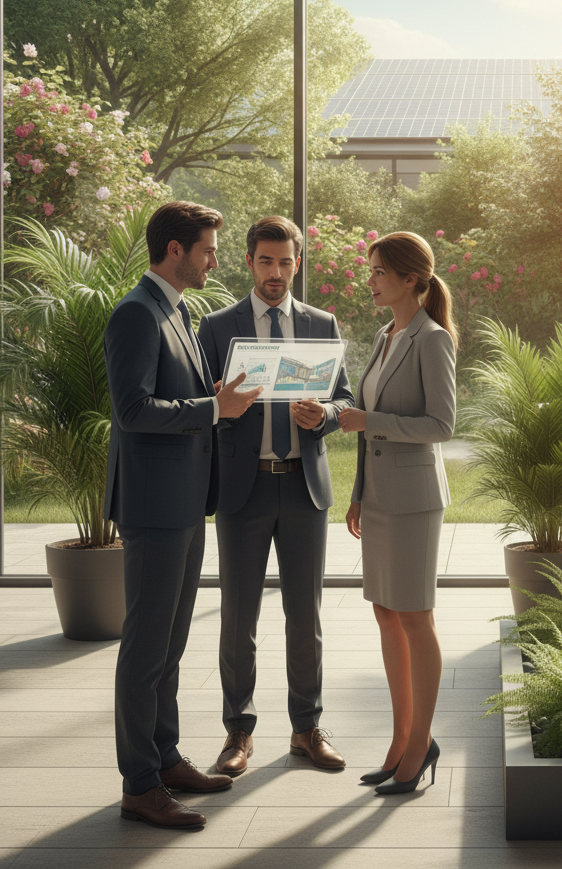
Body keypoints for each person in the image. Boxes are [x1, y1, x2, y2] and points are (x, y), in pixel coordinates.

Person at [105, 201, 262, 829]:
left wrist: (220, 403)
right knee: (145, 648)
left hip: (186, 502)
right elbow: (133, 410)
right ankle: (139, 784)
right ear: (175, 250)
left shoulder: (178, 309)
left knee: (170, 644)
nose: (215, 259)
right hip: (153, 506)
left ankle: (165, 756)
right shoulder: (136, 314)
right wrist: (214, 408)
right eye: (207, 249)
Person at [197, 216, 354, 775]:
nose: (277, 272)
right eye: (267, 261)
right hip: (243, 488)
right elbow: (198, 406)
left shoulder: (320, 322)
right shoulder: (216, 328)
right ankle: (238, 734)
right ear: (249, 262)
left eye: (286, 261)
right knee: (238, 617)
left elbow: (344, 397)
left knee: (303, 615)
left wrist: (327, 415)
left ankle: (306, 728)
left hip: (305, 485)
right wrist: (215, 402)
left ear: (298, 262)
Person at [340, 231, 457, 795]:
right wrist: (359, 492)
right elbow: (368, 418)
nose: (372, 279)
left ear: (411, 279)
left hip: (414, 502)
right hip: (381, 500)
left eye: (380, 271)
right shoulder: (387, 334)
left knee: (416, 618)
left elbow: (442, 427)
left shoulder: (432, 340)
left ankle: (419, 748)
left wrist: (368, 423)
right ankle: (401, 740)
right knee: (386, 615)